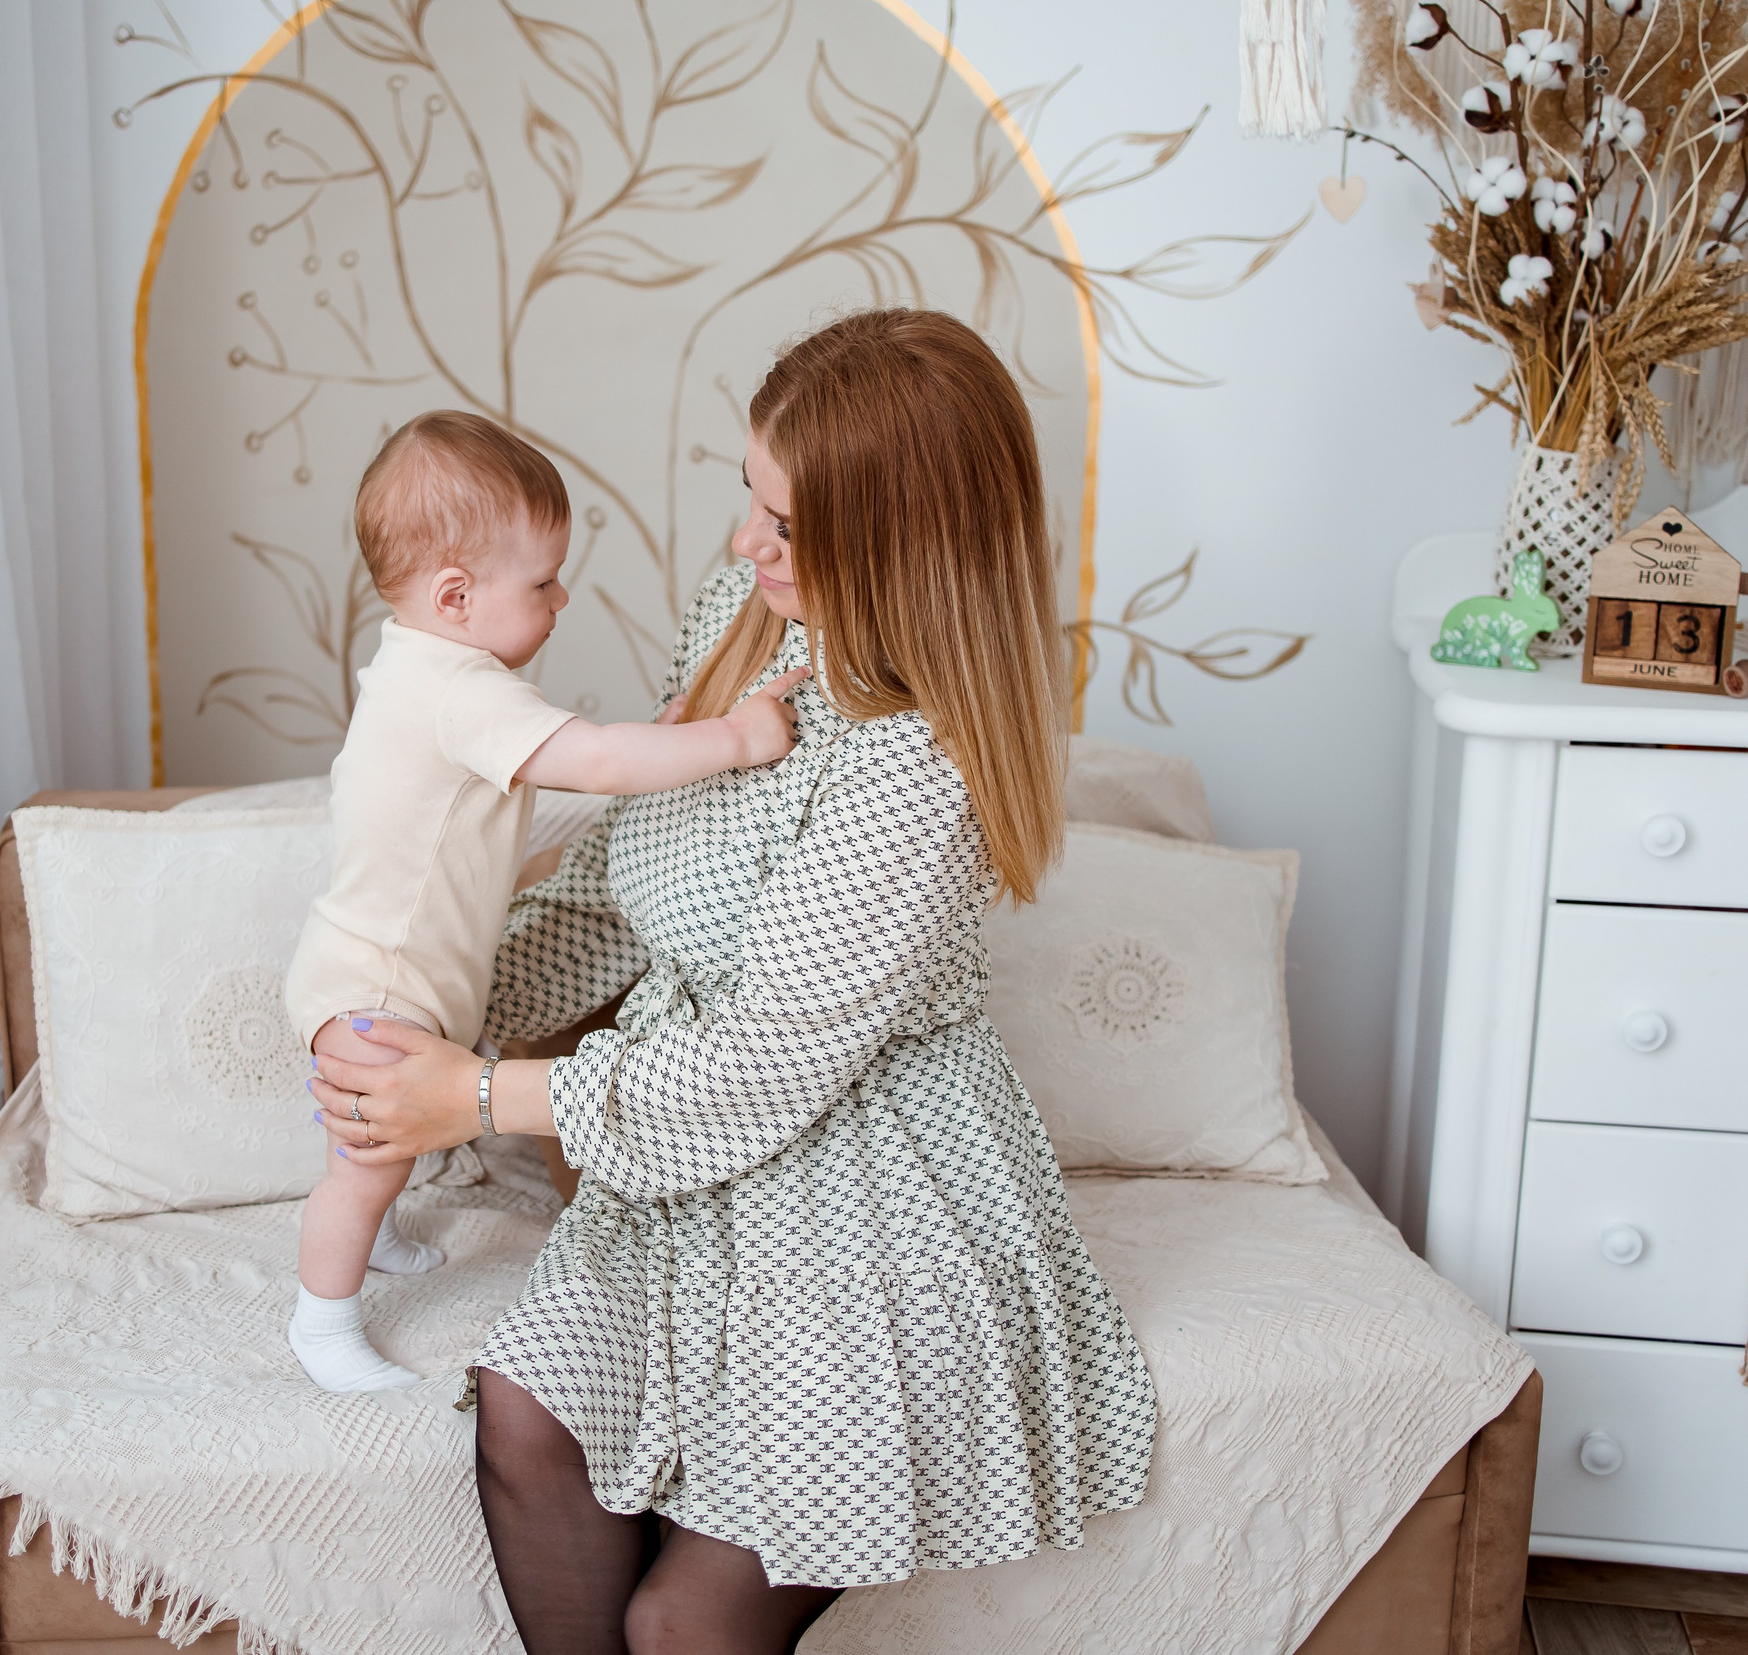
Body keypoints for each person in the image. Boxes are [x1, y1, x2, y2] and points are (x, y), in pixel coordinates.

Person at [308, 312, 1158, 1653]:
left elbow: (765, 1062)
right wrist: (417, 1020)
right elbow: (626, 883)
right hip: (677, 1156)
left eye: (787, 524)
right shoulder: (749, 616)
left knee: (681, 1628)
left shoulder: (917, 767)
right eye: (750, 498)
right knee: (526, 1416)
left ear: (898, 546)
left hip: (862, 1185)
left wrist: (470, 1094)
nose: (744, 543)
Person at [283, 410, 807, 1393]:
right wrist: (735, 739)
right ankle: (324, 1322)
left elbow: (575, 763)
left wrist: (666, 736)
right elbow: (596, 761)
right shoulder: (462, 693)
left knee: (373, 1151)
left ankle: (377, 1234)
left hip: (364, 964)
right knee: (360, 1169)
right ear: (456, 595)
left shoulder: (420, 665)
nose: (562, 597)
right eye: (542, 583)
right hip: (380, 989)